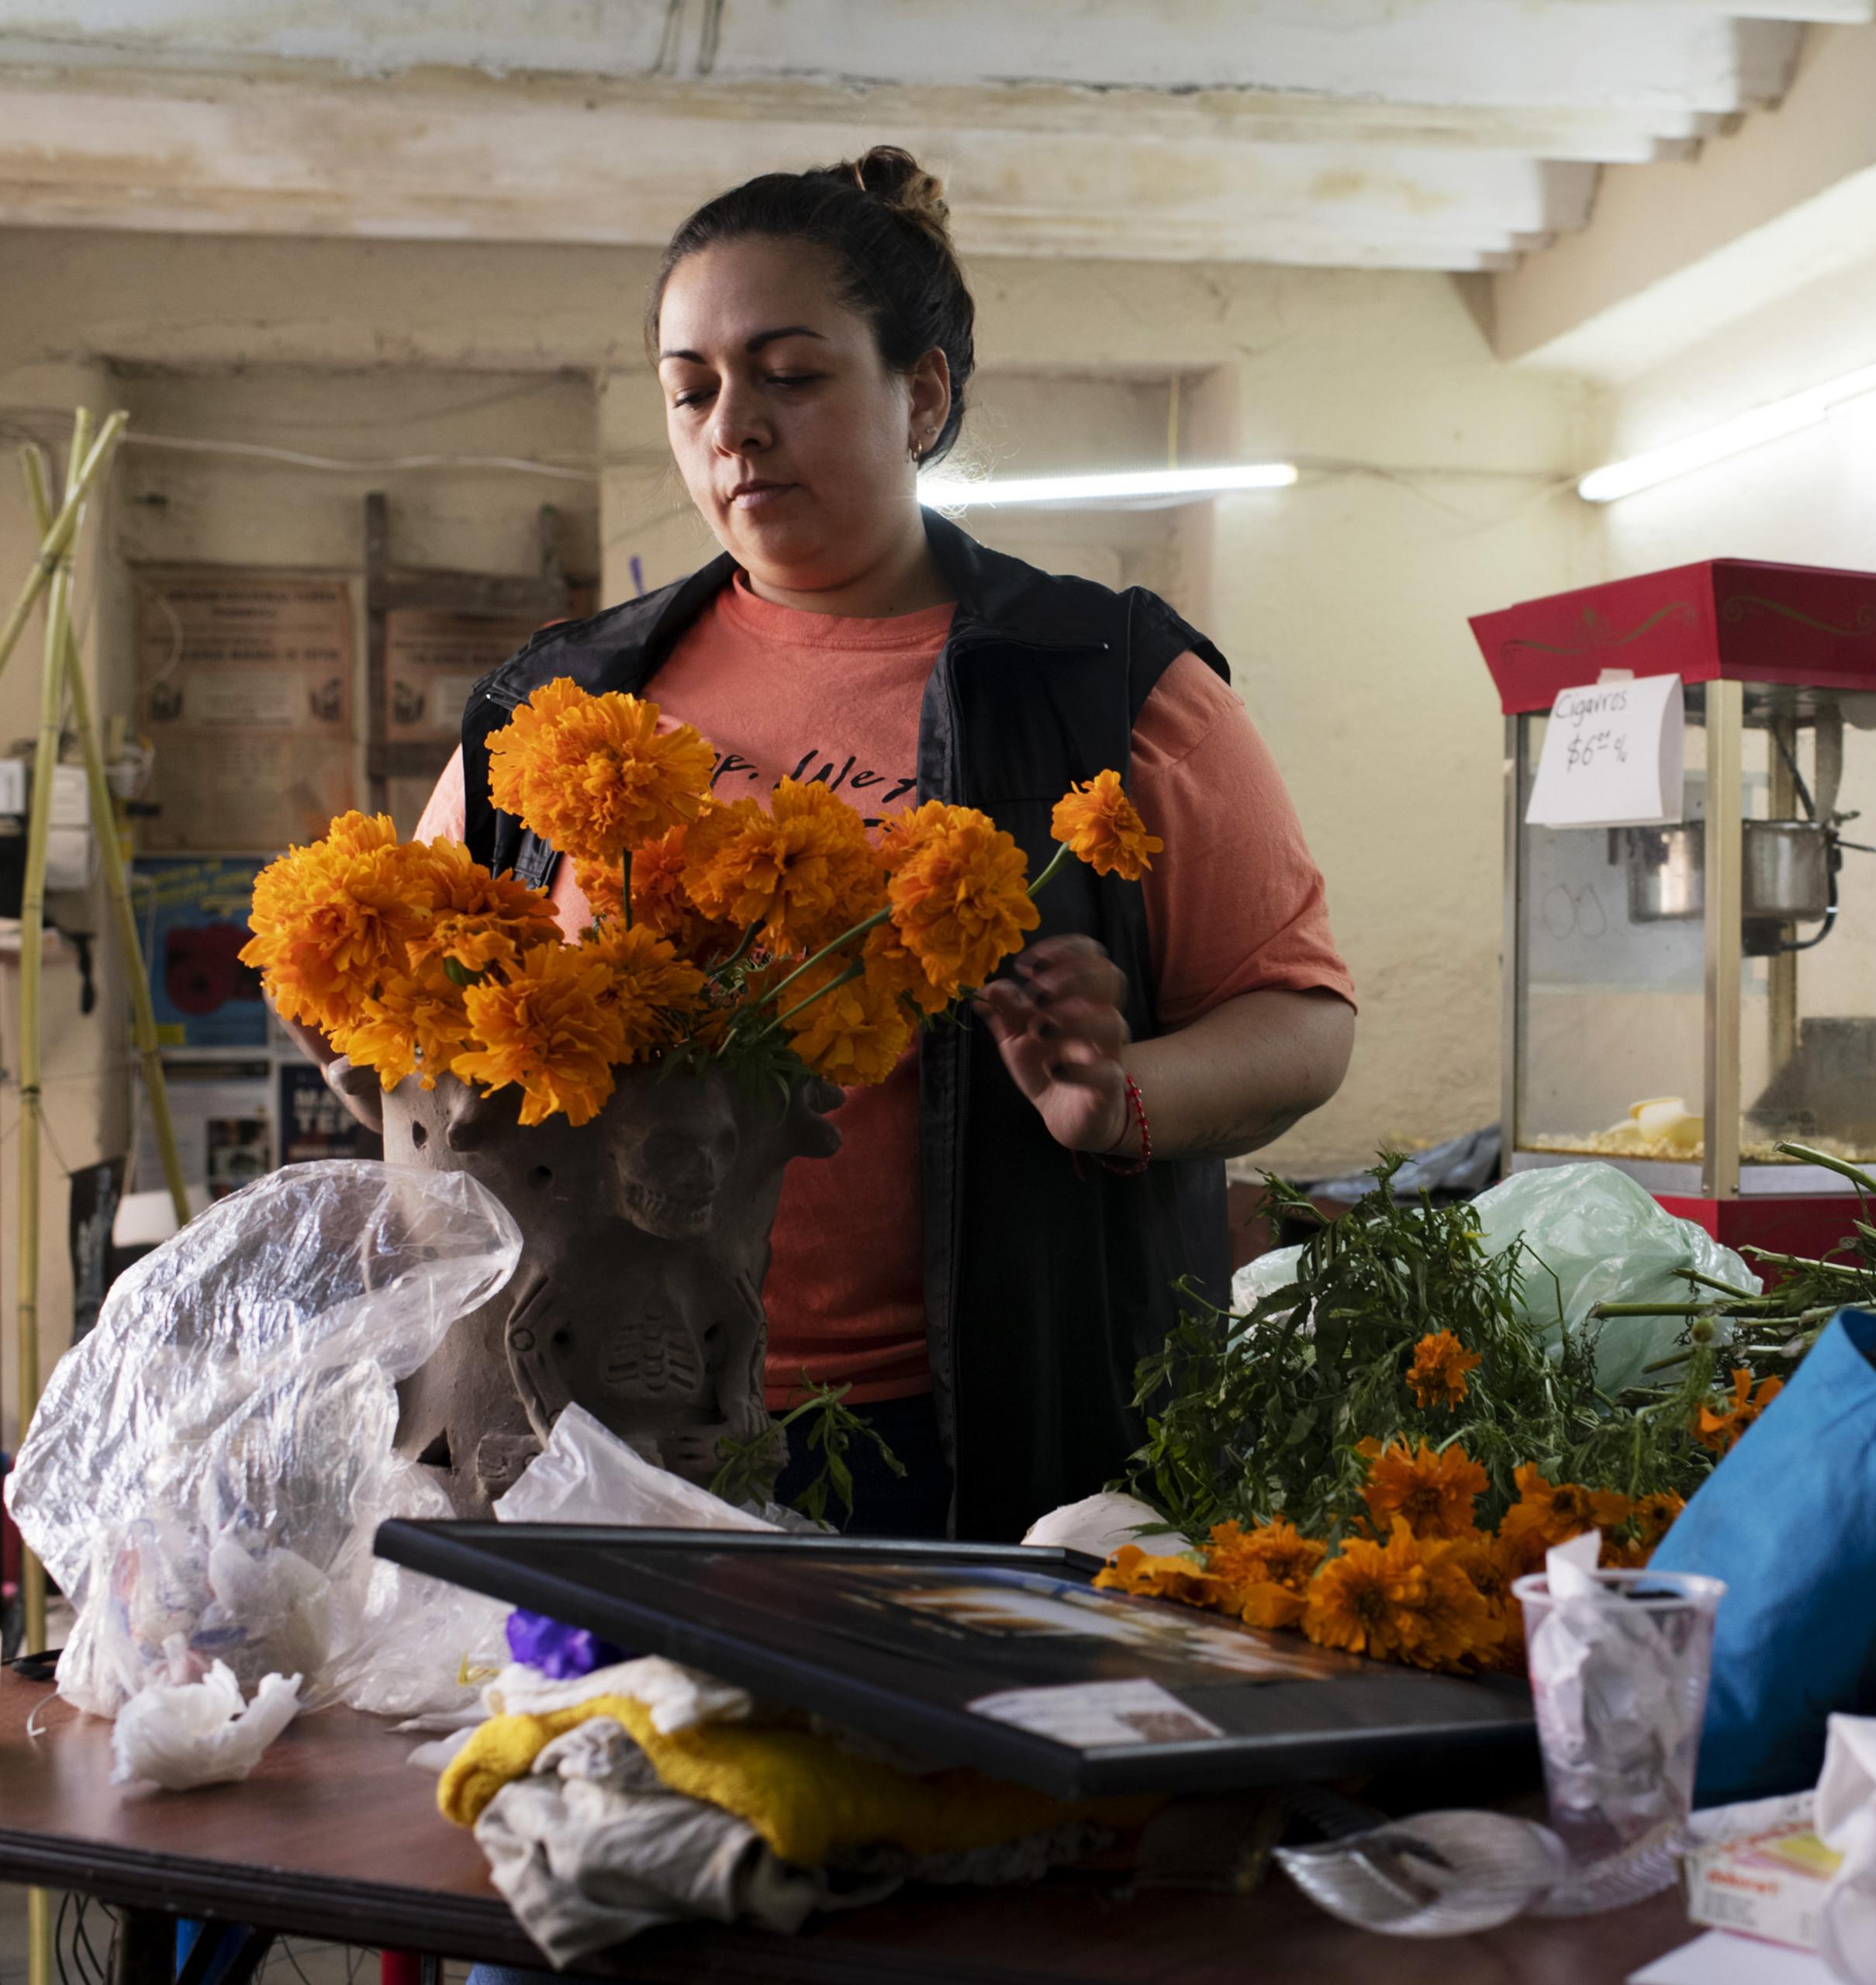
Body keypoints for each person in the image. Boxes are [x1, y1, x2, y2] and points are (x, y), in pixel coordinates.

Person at [390, 147, 1355, 1541]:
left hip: (970, 1437)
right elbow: (413, 999)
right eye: (692, 387)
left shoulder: (1105, 679)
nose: (734, 426)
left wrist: (1120, 1098)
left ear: (922, 392)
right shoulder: (555, 700)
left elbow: (1303, 1017)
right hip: (601, 1411)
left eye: (789, 375)